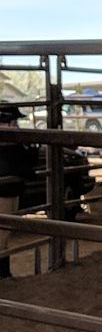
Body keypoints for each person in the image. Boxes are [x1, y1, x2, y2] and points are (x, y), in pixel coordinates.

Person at [0, 105, 39, 278]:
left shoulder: (13, 145)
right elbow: (26, 167)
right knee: (2, 235)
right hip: (4, 193)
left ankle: (4, 273)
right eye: (14, 122)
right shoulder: (8, 147)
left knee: (4, 235)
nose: (16, 126)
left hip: (10, 191)